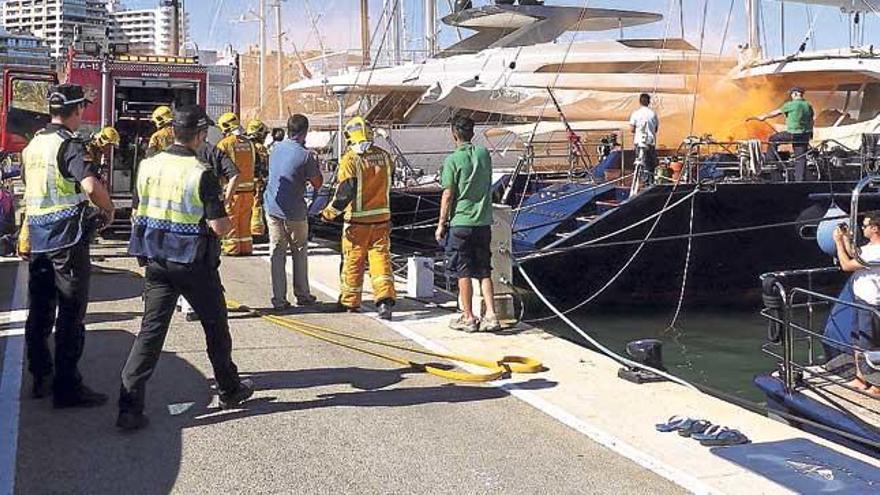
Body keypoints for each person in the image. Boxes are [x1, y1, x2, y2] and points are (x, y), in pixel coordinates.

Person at [119, 105, 254, 430]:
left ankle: (128, 407)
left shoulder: (148, 165)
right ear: (200, 135)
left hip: (156, 262)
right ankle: (229, 389)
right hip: (194, 263)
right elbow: (220, 226)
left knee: (150, 334)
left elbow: (140, 208)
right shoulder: (200, 172)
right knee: (216, 328)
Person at [22, 83, 116, 407]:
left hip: (39, 238)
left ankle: (40, 377)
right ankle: (67, 387)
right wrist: (108, 208)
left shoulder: (33, 145)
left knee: (40, 310)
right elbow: (91, 186)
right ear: (76, 111)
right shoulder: (70, 145)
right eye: (82, 109)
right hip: (67, 238)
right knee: (70, 314)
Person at [321, 116, 395, 320]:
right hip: (381, 218)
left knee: (354, 260)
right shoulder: (384, 156)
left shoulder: (350, 159)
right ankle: (385, 300)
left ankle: (350, 300)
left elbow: (345, 193)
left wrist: (328, 214)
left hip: (356, 222)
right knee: (380, 259)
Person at [434, 116, 500, 333]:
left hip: (461, 222)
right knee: (484, 270)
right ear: (473, 133)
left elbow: (448, 194)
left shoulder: (452, 160)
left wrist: (441, 223)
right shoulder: (483, 155)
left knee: (463, 271)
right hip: (483, 222)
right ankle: (491, 314)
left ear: (454, 134)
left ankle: (468, 316)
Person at [264, 114, 322, 309]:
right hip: (294, 211)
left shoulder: (275, 148)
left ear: (288, 130)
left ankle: (279, 299)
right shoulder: (306, 156)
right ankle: (302, 294)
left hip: (272, 207)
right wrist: (315, 162)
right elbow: (317, 183)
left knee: (277, 252)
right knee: (299, 250)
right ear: (305, 132)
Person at [834, 213, 880, 396]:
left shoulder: (877, 251)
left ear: (875, 228)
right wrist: (846, 238)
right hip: (861, 300)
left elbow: (846, 265)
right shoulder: (870, 249)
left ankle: (877, 384)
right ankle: (861, 378)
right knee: (858, 340)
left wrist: (838, 242)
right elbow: (856, 255)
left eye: (865, 225)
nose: (863, 228)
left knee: (871, 344)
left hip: (872, 304)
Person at [751, 87, 815, 181]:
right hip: (804, 135)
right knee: (800, 158)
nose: (791, 96)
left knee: (773, 139)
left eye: (792, 94)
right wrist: (810, 133)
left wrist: (763, 117)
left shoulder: (791, 104)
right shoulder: (808, 105)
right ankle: (799, 181)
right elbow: (811, 119)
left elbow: (776, 112)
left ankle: (770, 161)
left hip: (793, 133)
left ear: (795, 94)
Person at [216, 112, 257, 256]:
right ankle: (246, 247)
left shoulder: (225, 144)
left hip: (233, 191)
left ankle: (232, 248)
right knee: (245, 221)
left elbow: (219, 167)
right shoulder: (249, 143)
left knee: (232, 221)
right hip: (249, 191)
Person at [628, 93, 659, 188]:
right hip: (650, 142)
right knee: (651, 164)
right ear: (649, 102)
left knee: (641, 163)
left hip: (639, 142)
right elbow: (656, 129)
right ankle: (650, 182)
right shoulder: (653, 114)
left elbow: (632, 129)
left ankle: (643, 183)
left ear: (640, 101)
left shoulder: (635, 114)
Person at [246, 119, 269, 240]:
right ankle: (257, 233)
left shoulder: (244, 145)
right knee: (257, 206)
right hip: (257, 183)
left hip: (243, 183)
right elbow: (265, 167)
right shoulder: (260, 148)